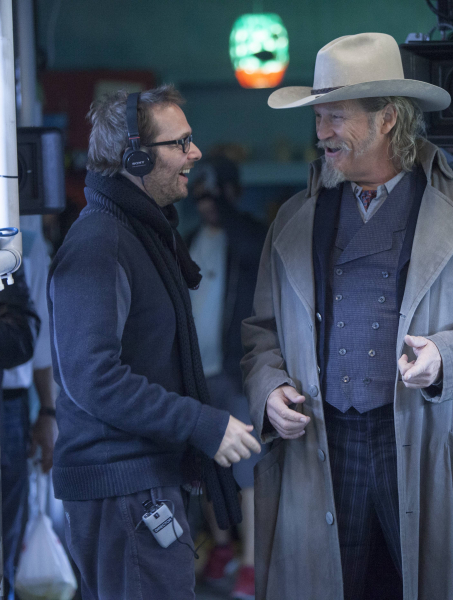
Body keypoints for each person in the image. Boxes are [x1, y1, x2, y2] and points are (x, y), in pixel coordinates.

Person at [241, 33, 453, 600]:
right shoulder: (293, 218)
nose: (321, 133)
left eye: (335, 117)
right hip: (323, 442)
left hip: (430, 440)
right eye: (318, 118)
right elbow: (261, 331)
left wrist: (446, 356)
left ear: (387, 120)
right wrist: (270, 387)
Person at [48, 85, 261, 599]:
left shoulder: (136, 232)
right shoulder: (100, 243)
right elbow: (93, 377)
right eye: (180, 142)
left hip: (140, 485)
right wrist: (201, 423)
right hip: (124, 490)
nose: (195, 153)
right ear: (136, 157)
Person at [187, 157, 267, 599]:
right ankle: (221, 547)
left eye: (215, 195)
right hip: (197, 374)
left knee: (247, 469)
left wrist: (224, 205)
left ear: (234, 194)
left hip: (235, 372)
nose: (208, 205)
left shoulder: (249, 236)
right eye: (201, 196)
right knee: (205, 467)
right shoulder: (189, 239)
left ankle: (250, 563)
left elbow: (254, 245)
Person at [0, 217, 58, 600]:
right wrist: (47, 413)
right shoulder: (27, 244)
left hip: (10, 404)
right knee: (1, 528)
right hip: (7, 406)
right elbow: (39, 346)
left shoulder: (28, 245)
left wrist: (47, 413)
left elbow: (38, 344)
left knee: (3, 532)